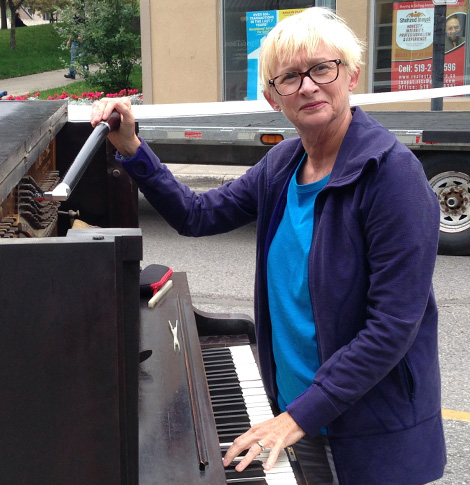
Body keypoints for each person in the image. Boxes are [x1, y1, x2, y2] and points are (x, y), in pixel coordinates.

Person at [91, 7, 446, 484]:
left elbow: (392, 327)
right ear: (272, 97)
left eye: (323, 68)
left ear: (352, 75)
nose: (308, 86)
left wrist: (296, 419)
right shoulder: (282, 164)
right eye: (290, 77)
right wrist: (132, 148)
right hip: (300, 413)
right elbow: (196, 214)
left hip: (367, 429)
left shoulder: (392, 177)